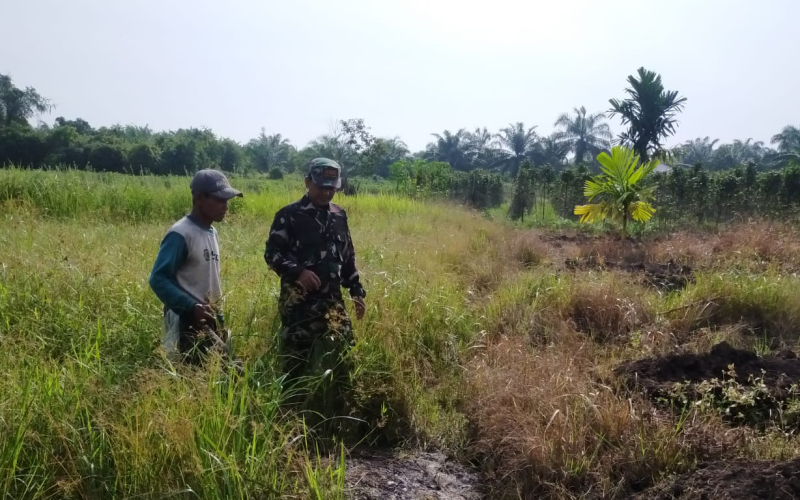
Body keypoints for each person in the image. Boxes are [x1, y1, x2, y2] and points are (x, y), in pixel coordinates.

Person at [264, 158, 366, 410]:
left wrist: (356, 290)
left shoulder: (339, 215)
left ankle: (341, 411)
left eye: (332, 187)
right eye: (321, 186)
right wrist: (298, 272)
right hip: (300, 308)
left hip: (333, 304)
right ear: (308, 182)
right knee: (295, 367)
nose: (326, 192)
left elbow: (348, 256)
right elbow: (272, 254)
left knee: (345, 358)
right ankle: (289, 417)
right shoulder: (289, 215)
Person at [149, 169, 242, 363]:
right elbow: (158, 278)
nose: (225, 207)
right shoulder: (181, 233)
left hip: (209, 318)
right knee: (226, 371)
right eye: (219, 200)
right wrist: (191, 307)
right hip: (188, 321)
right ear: (199, 198)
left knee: (218, 376)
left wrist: (219, 317)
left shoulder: (212, 231)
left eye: (227, 201)